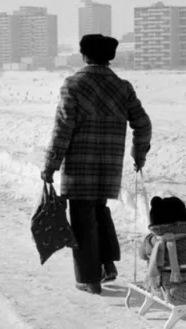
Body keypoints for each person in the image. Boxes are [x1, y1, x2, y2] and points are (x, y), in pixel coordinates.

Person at [41, 34, 152, 295]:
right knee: (99, 210)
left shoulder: (74, 85)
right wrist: (139, 153)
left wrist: (51, 164)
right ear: (109, 57)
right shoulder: (123, 87)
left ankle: (89, 279)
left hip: (80, 166)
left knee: (82, 219)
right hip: (109, 166)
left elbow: (63, 129)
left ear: (84, 55)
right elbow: (143, 124)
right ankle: (106, 265)